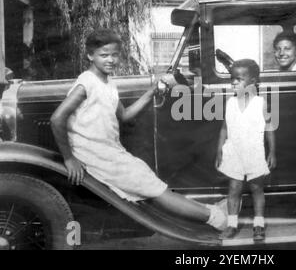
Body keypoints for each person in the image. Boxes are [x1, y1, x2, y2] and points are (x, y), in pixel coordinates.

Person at [50, 29, 226, 231]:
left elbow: (124, 116)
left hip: (108, 152)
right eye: (104, 55)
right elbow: (57, 118)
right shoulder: (87, 82)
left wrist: (152, 92)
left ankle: (206, 208)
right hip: (94, 155)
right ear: (90, 55)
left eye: (115, 55)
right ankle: (215, 218)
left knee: (148, 179)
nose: (111, 60)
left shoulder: (108, 83)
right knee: (155, 188)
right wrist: (69, 158)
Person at [215, 59, 277, 241]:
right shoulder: (230, 104)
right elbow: (224, 129)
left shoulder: (261, 104)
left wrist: (272, 152)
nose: (234, 82)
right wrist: (219, 151)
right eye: (232, 78)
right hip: (233, 152)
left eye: (239, 79)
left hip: (254, 153)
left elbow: (269, 128)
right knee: (233, 190)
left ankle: (258, 225)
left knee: (257, 189)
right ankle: (232, 225)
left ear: (253, 82)